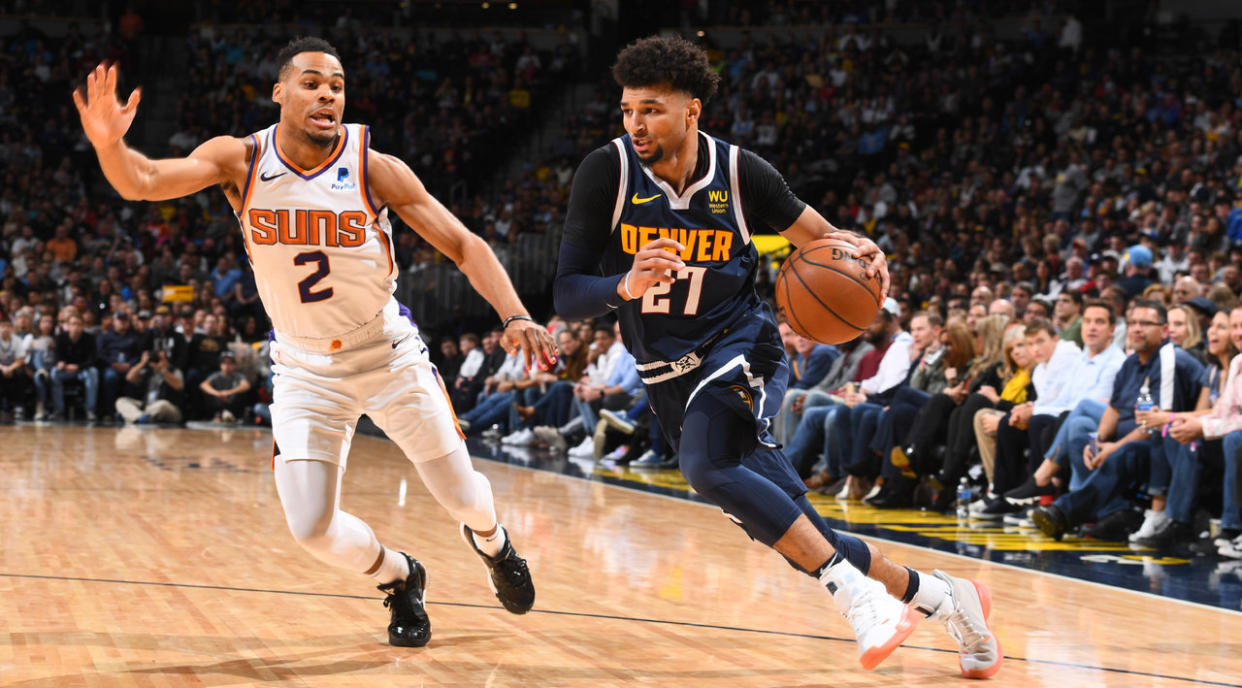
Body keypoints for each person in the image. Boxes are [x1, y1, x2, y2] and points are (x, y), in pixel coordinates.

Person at [75, 37, 557, 647]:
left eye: (336, 84)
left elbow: (464, 244)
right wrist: (108, 144)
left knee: (461, 495)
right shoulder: (240, 160)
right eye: (311, 82)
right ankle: (401, 576)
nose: (327, 92)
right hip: (303, 368)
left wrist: (514, 313)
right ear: (280, 92)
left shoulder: (373, 166)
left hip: (386, 354)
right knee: (310, 528)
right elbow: (143, 182)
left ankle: (493, 542)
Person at [552, 36, 1000, 677]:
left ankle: (857, 601)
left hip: (743, 346)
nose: (636, 124)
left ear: (692, 111)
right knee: (800, 532)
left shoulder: (740, 173)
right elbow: (568, 293)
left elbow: (829, 244)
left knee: (706, 468)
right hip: (665, 377)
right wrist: (624, 284)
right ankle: (949, 598)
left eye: (651, 109)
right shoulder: (608, 172)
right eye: (627, 110)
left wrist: (867, 254)